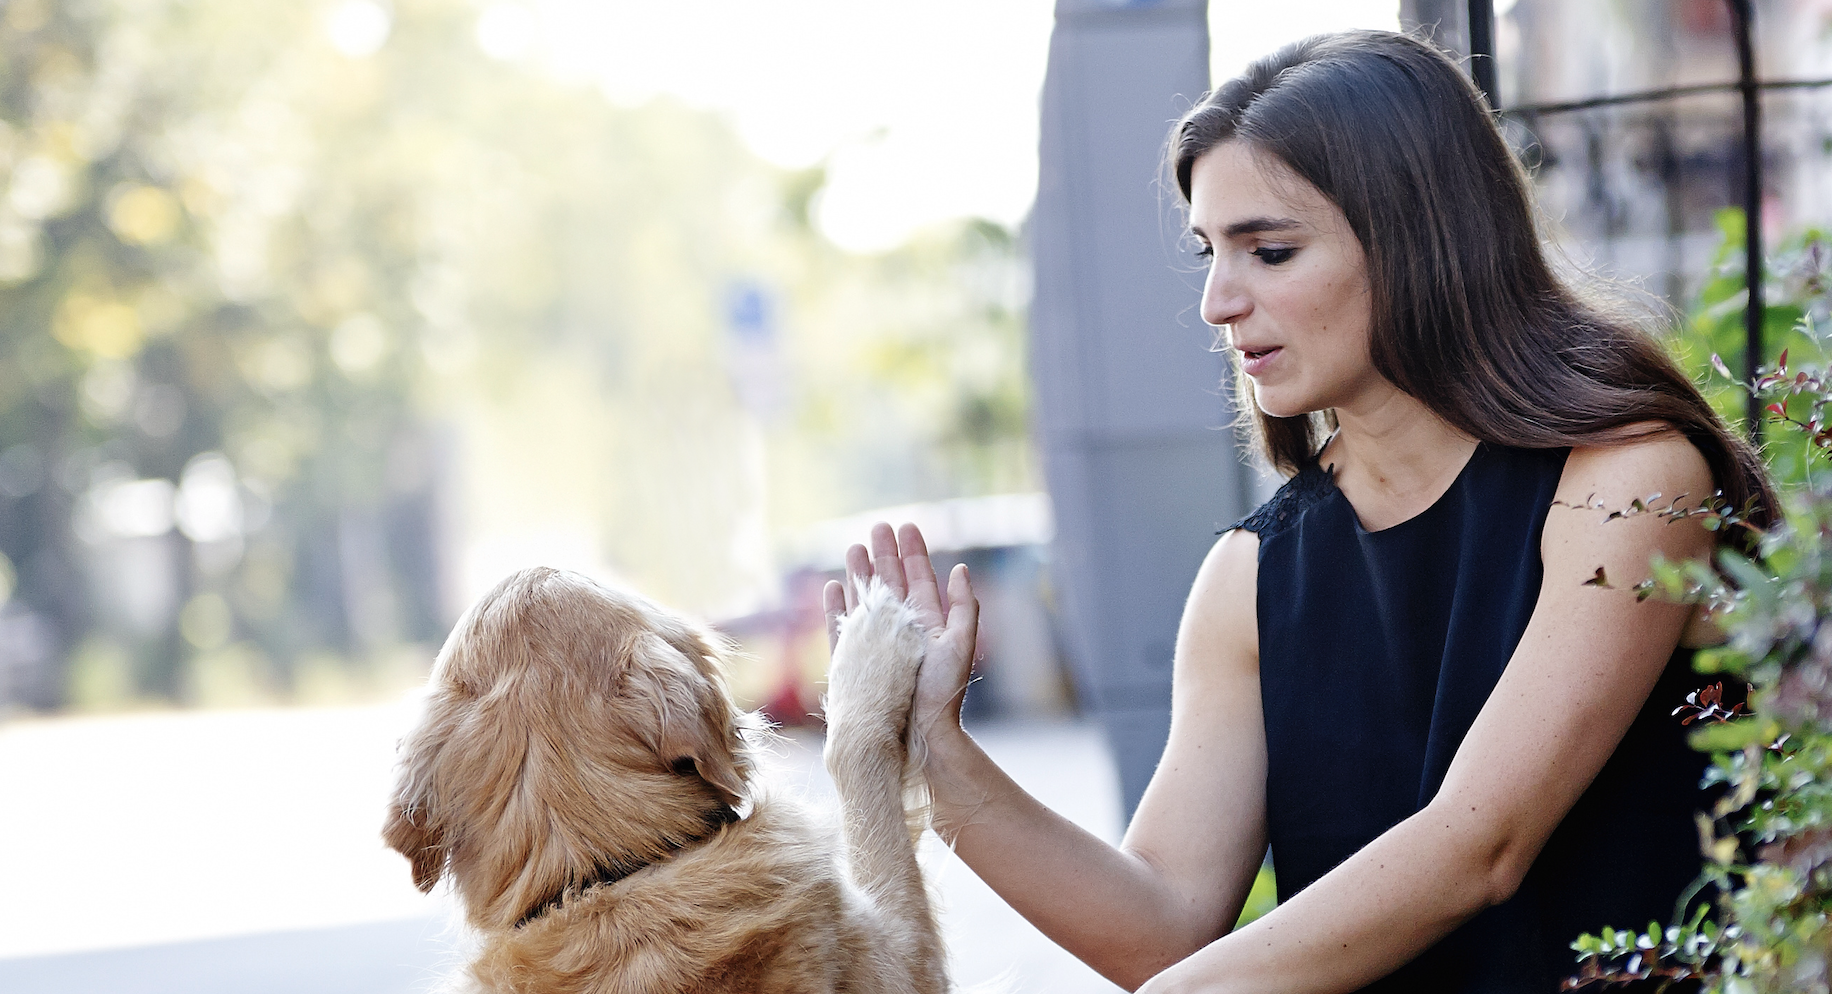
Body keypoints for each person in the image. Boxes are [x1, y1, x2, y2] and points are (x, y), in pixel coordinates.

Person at [822, 30, 1775, 994]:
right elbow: (1162, 924)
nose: (1216, 302)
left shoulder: (1630, 478)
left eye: (1269, 251)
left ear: (1420, 236)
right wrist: (932, 747)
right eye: (1210, 252)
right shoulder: (1251, 577)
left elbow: (1482, 844)